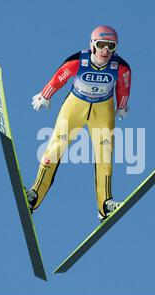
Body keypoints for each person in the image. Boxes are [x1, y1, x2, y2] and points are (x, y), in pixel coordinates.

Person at [27, 25, 132, 222]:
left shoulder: (121, 67)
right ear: (92, 45)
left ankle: (105, 206)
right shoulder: (78, 62)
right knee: (54, 149)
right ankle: (34, 196)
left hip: (103, 109)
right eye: (101, 45)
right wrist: (45, 95)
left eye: (111, 46)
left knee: (105, 157)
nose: (105, 51)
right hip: (76, 105)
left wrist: (122, 106)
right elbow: (59, 78)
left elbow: (123, 87)